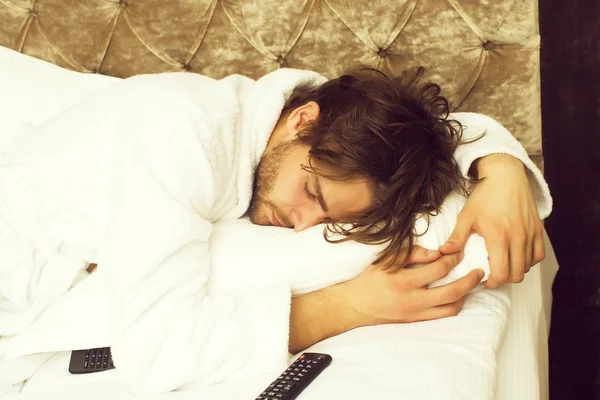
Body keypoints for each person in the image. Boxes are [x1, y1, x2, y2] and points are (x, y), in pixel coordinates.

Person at [0, 67, 550, 394]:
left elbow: (443, 130)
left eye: (328, 219)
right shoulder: (181, 135)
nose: (303, 224)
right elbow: (158, 352)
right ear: (301, 121)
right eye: (313, 196)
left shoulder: (291, 124)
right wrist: (345, 309)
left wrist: (501, 170)